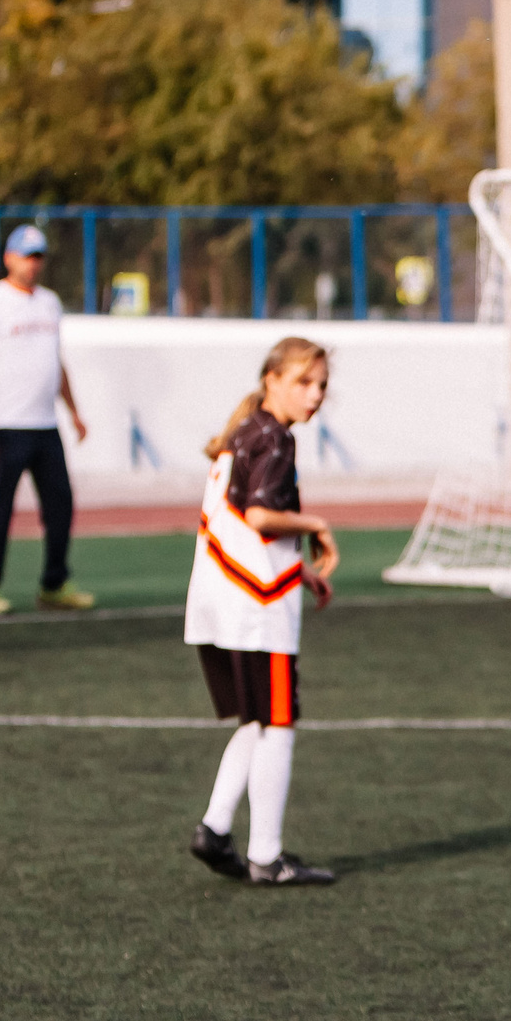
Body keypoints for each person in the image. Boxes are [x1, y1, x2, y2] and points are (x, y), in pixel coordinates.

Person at [185, 338, 341, 887]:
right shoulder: (274, 439)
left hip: (222, 602)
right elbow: (260, 515)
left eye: (321, 384)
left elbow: (236, 523)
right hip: (256, 611)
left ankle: (215, 829)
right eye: (304, 381)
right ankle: (267, 856)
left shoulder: (245, 431)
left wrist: (301, 571)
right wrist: (316, 526)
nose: (316, 394)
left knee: (258, 720)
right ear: (271, 378)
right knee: (278, 725)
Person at [0, 224, 94, 616]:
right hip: (5, 425)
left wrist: (74, 411)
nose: (34, 264)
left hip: (45, 426)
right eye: (27, 256)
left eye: (39, 257)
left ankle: (53, 583)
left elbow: (56, 361)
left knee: (61, 506)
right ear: (9, 258)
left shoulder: (50, 303)